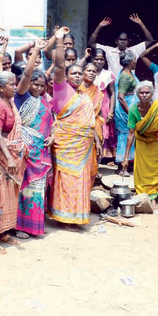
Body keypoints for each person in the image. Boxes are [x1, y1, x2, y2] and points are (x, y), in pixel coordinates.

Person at [50, 27, 96, 228]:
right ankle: (64, 217)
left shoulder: (83, 95)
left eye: (80, 73)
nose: (78, 76)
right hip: (67, 147)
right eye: (74, 73)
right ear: (66, 77)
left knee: (80, 181)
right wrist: (59, 40)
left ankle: (77, 216)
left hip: (83, 149)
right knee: (67, 181)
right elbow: (59, 65)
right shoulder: (62, 90)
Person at [15, 41, 53, 238]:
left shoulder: (44, 101)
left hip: (41, 152)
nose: (37, 88)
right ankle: (21, 226)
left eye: (41, 85)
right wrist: (36, 50)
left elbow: (50, 122)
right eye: (35, 84)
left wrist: (52, 136)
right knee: (24, 189)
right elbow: (27, 73)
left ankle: (35, 226)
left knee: (37, 191)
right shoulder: (21, 96)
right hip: (26, 151)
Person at [121, 81, 158, 206]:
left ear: (151, 94)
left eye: (147, 92)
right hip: (142, 141)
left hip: (157, 140)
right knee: (141, 171)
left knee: (156, 170)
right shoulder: (133, 109)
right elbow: (131, 133)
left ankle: (153, 196)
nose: (144, 95)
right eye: (141, 92)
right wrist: (126, 157)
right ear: (137, 94)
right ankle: (142, 195)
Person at [0, 70, 28, 243]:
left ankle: (5, 231)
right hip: (3, 156)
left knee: (9, 196)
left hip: (10, 152)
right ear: (0, 87)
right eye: (12, 85)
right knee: (1, 195)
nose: (15, 87)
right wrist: (10, 157)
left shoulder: (10, 103)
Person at [87, 14, 155, 77]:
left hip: (128, 84)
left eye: (125, 40)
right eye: (120, 39)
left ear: (128, 42)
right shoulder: (109, 50)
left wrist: (141, 24)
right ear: (116, 41)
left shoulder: (134, 50)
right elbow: (91, 43)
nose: (122, 42)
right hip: (112, 85)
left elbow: (150, 40)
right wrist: (99, 26)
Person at [80, 62, 106, 181]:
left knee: (94, 153)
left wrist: (99, 125)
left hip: (94, 124)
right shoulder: (77, 89)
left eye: (93, 71)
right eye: (88, 70)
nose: (91, 73)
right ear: (83, 72)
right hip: (79, 126)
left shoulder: (97, 91)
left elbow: (99, 112)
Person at [89, 48, 116, 160]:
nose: (99, 62)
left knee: (103, 131)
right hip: (89, 106)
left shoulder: (108, 74)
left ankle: (101, 158)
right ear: (92, 59)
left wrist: (111, 111)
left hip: (104, 107)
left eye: (101, 59)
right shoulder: (88, 72)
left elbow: (112, 93)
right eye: (96, 59)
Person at [114, 50, 139, 172]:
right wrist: (130, 113)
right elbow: (121, 97)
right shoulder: (124, 76)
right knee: (125, 136)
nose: (136, 62)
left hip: (130, 108)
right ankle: (121, 166)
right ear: (130, 61)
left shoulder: (129, 73)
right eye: (134, 59)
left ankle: (127, 163)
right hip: (125, 111)